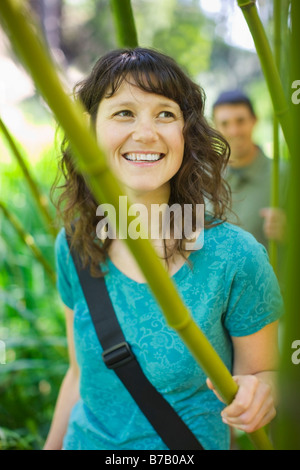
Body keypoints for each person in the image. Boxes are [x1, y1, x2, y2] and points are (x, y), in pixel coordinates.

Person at [44, 48, 283, 451]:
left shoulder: (234, 256)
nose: (146, 133)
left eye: (165, 114)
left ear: (186, 134)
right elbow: (77, 375)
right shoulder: (75, 243)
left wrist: (261, 392)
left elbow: (265, 372)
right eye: (123, 113)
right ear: (89, 130)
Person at [212, 89, 287, 250]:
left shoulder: (286, 176)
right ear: (215, 128)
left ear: (254, 120)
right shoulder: (203, 179)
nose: (234, 131)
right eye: (225, 124)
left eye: (240, 121)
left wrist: (292, 234)